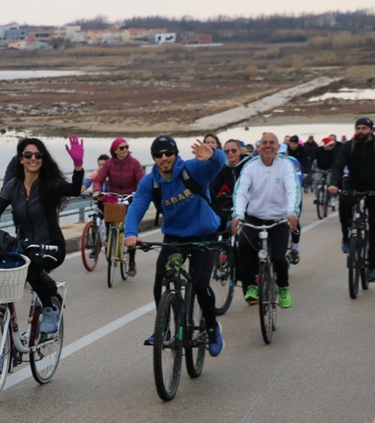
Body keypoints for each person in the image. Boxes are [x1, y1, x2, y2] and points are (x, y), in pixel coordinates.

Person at [124, 136, 226, 356]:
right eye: (158, 155)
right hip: (175, 236)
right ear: (153, 158)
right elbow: (136, 207)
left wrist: (214, 155)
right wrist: (130, 233)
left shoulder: (192, 170)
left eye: (168, 153)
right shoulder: (150, 182)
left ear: (176, 154)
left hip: (205, 233)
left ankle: (212, 329)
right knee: (161, 277)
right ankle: (164, 330)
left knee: (199, 284)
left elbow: (219, 163)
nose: (164, 158)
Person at [0, 136, 86, 333]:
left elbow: (74, 190)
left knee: (31, 267)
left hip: (52, 248)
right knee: (7, 263)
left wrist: (78, 165)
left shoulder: (50, 184)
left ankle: (49, 308)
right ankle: (7, 349)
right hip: (26, 247)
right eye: (28, 154)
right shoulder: (13, 185)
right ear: (21, 159)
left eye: (38, 154)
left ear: (43, 158)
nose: (33, 158)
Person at [230, 133, 300, 308]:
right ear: (259, 146)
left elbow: (293, 189)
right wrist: (237, 215)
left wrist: (292, 213)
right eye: (264, 143)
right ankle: (251, 285)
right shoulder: (250, 166)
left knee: (278, 256)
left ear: (278, 147)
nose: (268, 146)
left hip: (279, 219)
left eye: (272, 143)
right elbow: (241, 192)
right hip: (254, 217)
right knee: (244, 246)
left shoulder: (286, 165)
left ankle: (283, 287)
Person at [328, 117, 375, 283]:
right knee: (343, 202)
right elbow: (338, 166)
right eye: (358, 128)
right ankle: (346, 237)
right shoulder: (348, 145)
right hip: (353, 183)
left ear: (370, 130)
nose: (360, 131)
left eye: (364, 128)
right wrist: (333, 184)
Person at [91, 137, 146, 276]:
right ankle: (110, 241)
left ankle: (131, 261)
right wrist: (97, 190)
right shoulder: (109, 164)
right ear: (115, 150)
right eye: (122, 148)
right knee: (110, 219)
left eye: (127, 147)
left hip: (130, 198)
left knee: (130, 230)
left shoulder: (135, 164)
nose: (125, 150)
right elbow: (98, 179)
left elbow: (142, 181)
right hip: (114, 197)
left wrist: (140, 192)